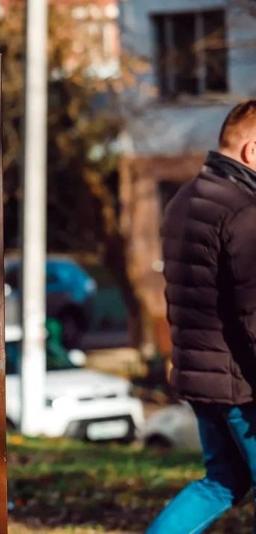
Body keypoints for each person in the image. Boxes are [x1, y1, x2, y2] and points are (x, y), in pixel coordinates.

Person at [149, 99, 256, 533]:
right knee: (223, 481)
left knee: (222, 481)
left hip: (199, 376)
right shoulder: (245, 210)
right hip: (241, 385)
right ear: (252, 151)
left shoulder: (183, 199)